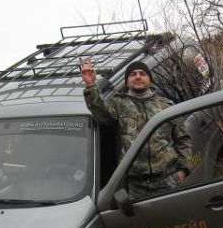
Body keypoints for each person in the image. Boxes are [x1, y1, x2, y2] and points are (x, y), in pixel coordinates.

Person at [80, 57, 192, 198]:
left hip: (168, 179)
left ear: (150, 80)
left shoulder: (166, 105)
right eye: (133, 74)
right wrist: (90, 85)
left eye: (142, 73)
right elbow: (101, 113)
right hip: (134, 185)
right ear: (127, 81)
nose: (138, 76)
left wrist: (183, 171)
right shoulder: (118, 104)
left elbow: (183, 139)